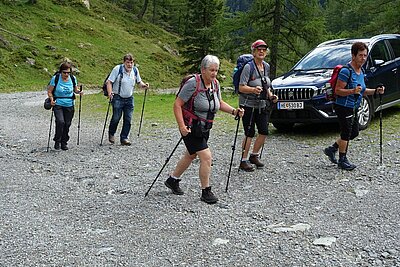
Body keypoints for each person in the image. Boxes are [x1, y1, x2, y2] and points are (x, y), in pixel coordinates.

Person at [164, 55, 244, 204]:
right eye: (211, 70)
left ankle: (172, 180)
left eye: (216, 70)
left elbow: (218, 102)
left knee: (190, 155)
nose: (214, 73)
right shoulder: (193, 84)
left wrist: (234, 111)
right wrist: (181, 126)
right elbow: (177, 104)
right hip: (191, 127)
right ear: (203, 69)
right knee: (206, 157)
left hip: (205, 128)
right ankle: (205, 191)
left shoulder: (215, 84)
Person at [324, 42, 385, 170]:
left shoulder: (361, 70)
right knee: (346, 132)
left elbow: (361, 90)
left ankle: (332, 149)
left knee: (354, 132)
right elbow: (338, 90)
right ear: (353, 55)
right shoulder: (346, 71)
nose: (363, 58)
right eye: (360, 55)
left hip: (354, 106)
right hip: (343, 106)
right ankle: (342, 160)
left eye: (365, 55)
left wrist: (375, 91)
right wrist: (352, 91)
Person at [238, 39, 278, 172]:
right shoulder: (248, 67)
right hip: (248, 104)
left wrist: (271, 95)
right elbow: (241, 87)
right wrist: (253, 90)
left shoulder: (266, 66)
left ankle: (254, 156)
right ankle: (243, 161)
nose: (261, 51)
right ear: (254, 52)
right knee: (249, 133)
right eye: (259, 49)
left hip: (262, 104)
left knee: (264, 131)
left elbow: (266, 85)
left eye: (264, 49)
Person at [106, 53, 149, 145]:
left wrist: (144, 85)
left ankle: (124, 138)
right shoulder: (117, 69)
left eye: (131, 62)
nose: (129, 64)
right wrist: (110, 93)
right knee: (116, 118)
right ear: (124, 62)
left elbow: (139, 82)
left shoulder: (135, 70)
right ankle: (111, 133)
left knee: (128, 119)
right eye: (127, 62)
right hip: (117, 97)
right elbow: (109, 82)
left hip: (129, 98)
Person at [47, 62, 83, 150]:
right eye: (64, 72)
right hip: (58, 103)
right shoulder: (55, 78)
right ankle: (57, 140)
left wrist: (79, 92)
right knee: (60, 122)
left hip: (70, 104)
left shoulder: (73, 78)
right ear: (60, 72)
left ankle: (64, 142)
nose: (66, 74)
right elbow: (50, 91)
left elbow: (75, 90)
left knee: (67, 124)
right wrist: (51, 100)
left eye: (68, 72)